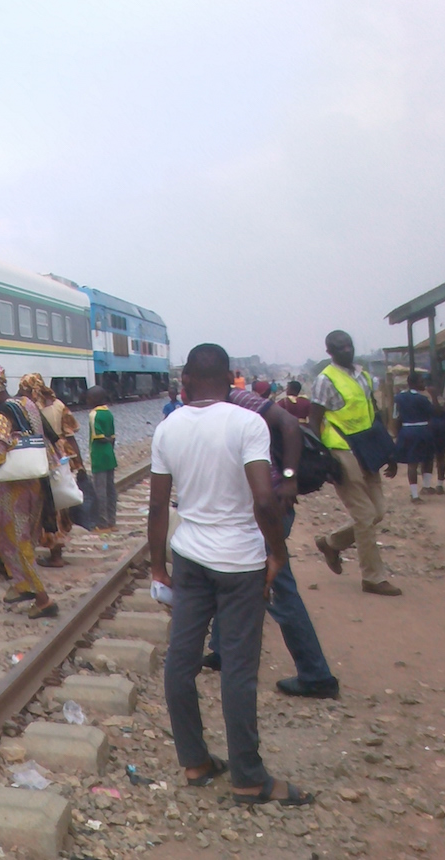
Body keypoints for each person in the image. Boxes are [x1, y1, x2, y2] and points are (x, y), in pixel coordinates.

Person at [149, 343, 313, 807]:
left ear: (184, 383)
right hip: (241, 561)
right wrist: (276, 553)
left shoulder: (168, 427)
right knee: (238, 670)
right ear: (231, 381)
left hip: (189, 558)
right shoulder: (246, 423)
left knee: (181, 660)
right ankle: (247, 777)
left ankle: (196, 761)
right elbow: (264, 500)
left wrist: (158, 565)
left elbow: (159, 504)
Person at [203, 379, 340, 699]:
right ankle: (222, 650)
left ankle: (316, 675)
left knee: (279, 588)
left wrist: (290, 478)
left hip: (269, 507)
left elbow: (290, 424)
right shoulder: (211, 408)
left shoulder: (241, 401)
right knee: (227, 571)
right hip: (250, 509)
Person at [310, 330, 401, 596]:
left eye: (349, 345)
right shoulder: (325, 380)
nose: (346, 350)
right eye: (339, 348)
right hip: (341, 448)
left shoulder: (363, 376)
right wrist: (321, 458)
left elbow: (374, 413)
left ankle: (330, 543)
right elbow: (315, 420)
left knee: (378, 511)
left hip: (368, 447)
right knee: (364, 516)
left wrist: (389, 452)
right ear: (330, 352)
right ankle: (372, 578)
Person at [0, 364, 61, 618]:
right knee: (3, 531)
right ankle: (22, 584)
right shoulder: (25, 403)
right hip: (35, 480)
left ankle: (43, 599)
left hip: (18, 486)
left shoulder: (2, 415)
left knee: (15, 538)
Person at [18, 372, 78, 567]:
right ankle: (56, 550)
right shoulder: (59, 405)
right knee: (60, 504)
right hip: (60, 458)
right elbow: (70, 435)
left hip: (40, 459)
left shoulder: (27, 409)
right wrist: (79, 463)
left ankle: (53, 554)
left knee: (44, 505)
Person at [393, 371, 434, 503]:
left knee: (412, 463)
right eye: (421, 381)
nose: (423, 384)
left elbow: (396, 417)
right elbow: (433, 413)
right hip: (422, 430)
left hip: (406, 430)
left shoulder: (398, 398)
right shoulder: (423, 399)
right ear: (415, 383)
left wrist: (397, 434)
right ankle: (426, 487)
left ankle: (414, 494)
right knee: (427, 459)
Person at [87, 386, 118, 532]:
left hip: (99, 454)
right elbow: (112, 436)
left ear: (94, 399)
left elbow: (97, 435)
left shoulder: (94, 414)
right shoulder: (109, 413)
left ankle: (103, 523)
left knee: (100, 489)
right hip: (109, 454)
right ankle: (112, 520)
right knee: (110, 488)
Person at [424, 378, 445, 493]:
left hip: (439, 431)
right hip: (436, 430)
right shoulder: (423, 397)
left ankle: (438, 485)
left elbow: (439, 411)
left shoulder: (442, 399)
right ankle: (428, 485)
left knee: (438, 457)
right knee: (430, 458)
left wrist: (434, 397)